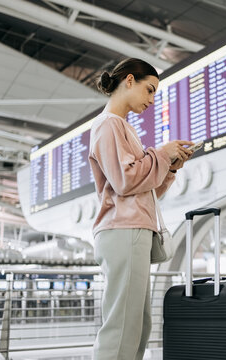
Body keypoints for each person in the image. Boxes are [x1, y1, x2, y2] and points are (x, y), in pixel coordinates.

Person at [88, 58, 194, 360]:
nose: (151, 100)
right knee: (122, 328)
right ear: (130, 80)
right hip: (123, 230)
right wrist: (160, 154)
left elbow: (142, 189)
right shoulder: (109, 125)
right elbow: (124, 181)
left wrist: (169, 167)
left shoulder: (122, 128)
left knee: (137, 326)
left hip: (130, 229)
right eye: (149, 90)